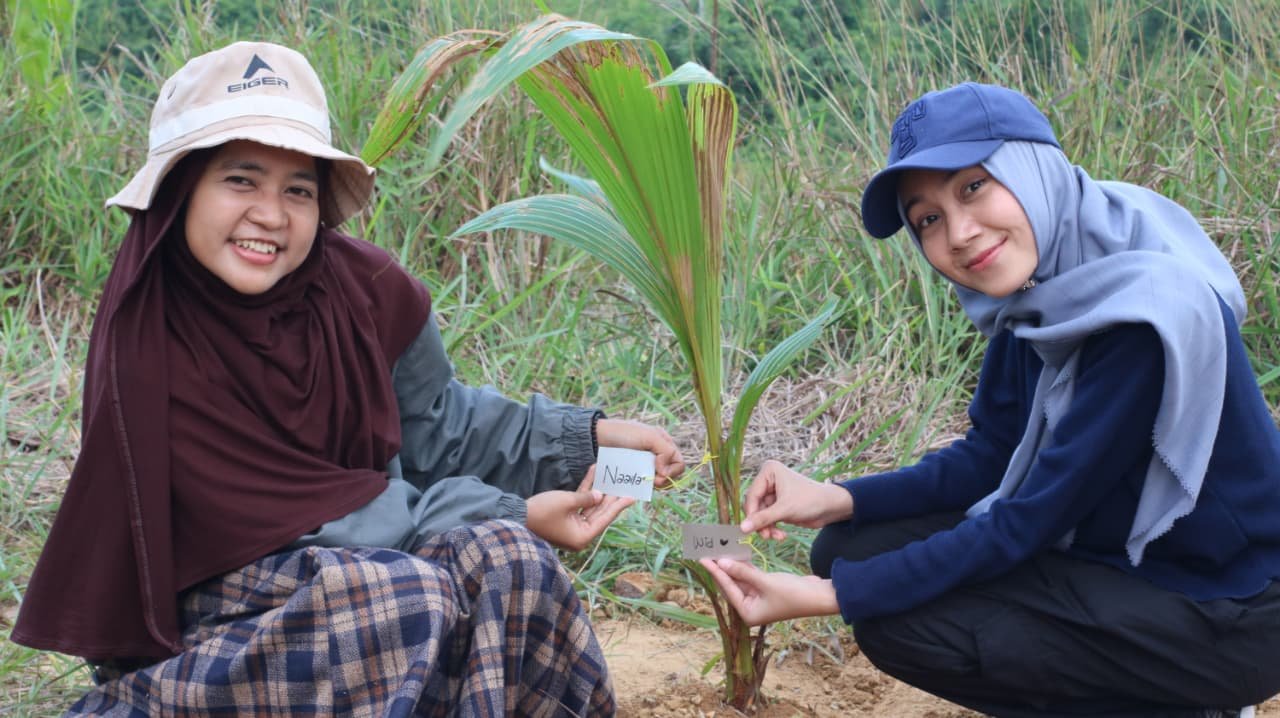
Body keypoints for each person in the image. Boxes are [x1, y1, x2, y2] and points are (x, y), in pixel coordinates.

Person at [12, 41, 684, 716]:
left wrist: (585, 441)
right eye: (240, 181)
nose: (271, 216)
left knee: (510, 558)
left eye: (297, 190)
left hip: (370, 562)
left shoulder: (361, 291)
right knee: (403, 599)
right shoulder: (151, 332)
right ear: (181, 188)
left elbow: (442, 427)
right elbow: (301, 518)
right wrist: (512, 508)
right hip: (217, 599)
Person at [700, 82, 1280, 717]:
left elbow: (1026, 521)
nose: (962, 233)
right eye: (928, 218)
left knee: (901, 622)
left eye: (973, 187)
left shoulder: (1140, 318)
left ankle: (1182, 704)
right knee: (846, 545)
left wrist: (824, 596)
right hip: (1120, 557)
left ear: (1030, 168)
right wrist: (838, 498)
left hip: (1230, 607)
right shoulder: (1042, 289)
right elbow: (990, 455)